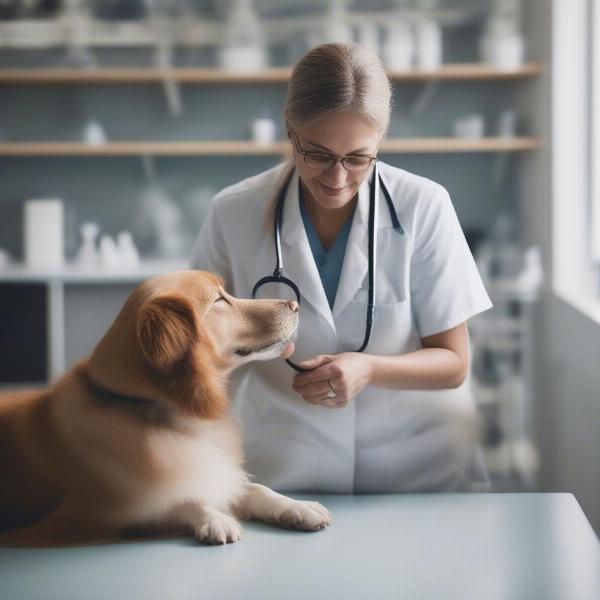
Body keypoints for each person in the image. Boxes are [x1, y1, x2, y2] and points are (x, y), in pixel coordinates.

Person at [190, 43, 493, 494]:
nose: (337, 177)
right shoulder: (234, 211)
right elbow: (202, 351)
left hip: (417, 466)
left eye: (357, 158)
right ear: (291, 131)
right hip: (285, 466)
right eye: (318, 154)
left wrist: (369, 369)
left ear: (380, 142)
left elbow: (453, 362)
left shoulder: (424, 207)